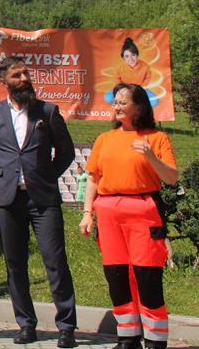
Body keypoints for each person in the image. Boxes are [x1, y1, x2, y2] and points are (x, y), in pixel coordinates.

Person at [0, 56, 77, 347]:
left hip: (43, 200)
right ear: (3, 81)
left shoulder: (47, 111)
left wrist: (45, 175)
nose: (24, 79)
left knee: (55, 261)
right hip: (8, 200)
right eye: (17, 75)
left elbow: (66, 152)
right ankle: (25, 324)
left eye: (26, 73)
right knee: (15, 264)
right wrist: (3, 172)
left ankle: (66, 327)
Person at [79, 83, 178, 349]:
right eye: (115, 102)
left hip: (143, 210)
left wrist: (151, 157)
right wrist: (88, 213)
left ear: (139, 107)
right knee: (117, 275)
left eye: (123, 102)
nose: (117, 106)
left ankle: (155, 340)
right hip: (109, 213)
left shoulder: (156, 138)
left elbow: (171, 177)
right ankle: (128, 337)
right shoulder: (105, 139)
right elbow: (93, 179)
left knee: (146, 277)